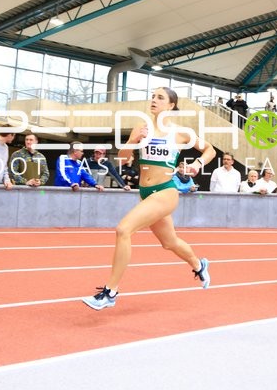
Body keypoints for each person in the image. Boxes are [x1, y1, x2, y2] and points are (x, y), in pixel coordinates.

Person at [81, 87, 216, 310]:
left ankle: (110, 292)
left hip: (166, 191)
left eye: (160, 98)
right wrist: (134, 140)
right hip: (145, 193)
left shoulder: (180, 132)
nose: (154, 100)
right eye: (153, 96)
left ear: (171, 106)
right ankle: (198, 264)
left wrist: (196, 164)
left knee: (123, 230)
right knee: (169, 242)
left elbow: (209, 150)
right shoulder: (141, 128)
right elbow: (124, 160)